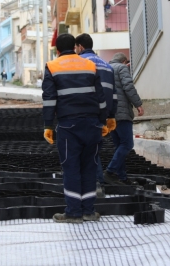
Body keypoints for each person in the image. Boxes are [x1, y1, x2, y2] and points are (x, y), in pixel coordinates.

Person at [42, 33, 109, 223]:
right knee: (89, 166)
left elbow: (49, 99)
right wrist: (103, 121)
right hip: (92, 124)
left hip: (68, 125)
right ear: (75, 47)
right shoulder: (89, 65)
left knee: (71, 167)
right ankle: (88, 211)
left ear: (57, 50)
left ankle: (73, 212)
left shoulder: (52, 67)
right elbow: (100, 97)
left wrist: (48, 125)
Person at [75, 33, 118, 196]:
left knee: (86, 149)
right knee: (93, 147)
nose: (75, 51)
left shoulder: (81, 62)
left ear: (80, 47)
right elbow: (113, 93)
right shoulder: (108, 66)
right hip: (104, 112)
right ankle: (96, 183)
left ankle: (96, 184)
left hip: (87, 109)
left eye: (76, 48)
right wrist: (111, 115)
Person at [103, 52, 144, 185]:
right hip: (121, 113)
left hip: (109, 114)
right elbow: (128, 87)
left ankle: (122, 177)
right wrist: (138, 104)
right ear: (124, 62)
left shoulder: (105, 68)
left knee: (118, 145)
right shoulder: (122, 68)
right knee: (127, 144)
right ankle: (109, 172)